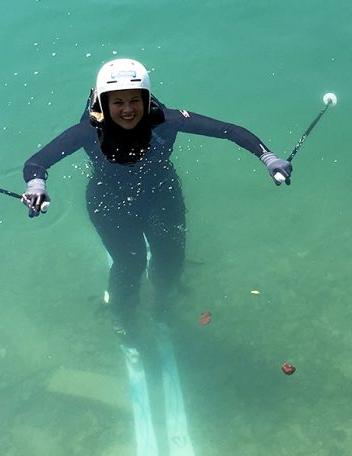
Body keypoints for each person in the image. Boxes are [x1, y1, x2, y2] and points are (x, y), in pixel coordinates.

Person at [21, 58, 292, 343]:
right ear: (103, 103)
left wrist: (269, 158)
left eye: (134, 101)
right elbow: (38, 161)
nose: (127, 110)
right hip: (109, 201)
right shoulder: (89, 130)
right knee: (130, 263)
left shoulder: (166, 120)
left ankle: (161, 300)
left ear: (147, 99)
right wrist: (37, 185)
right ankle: (123, 316)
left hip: (162, 193)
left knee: (172, 258)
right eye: (118, 102)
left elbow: (228, 130)